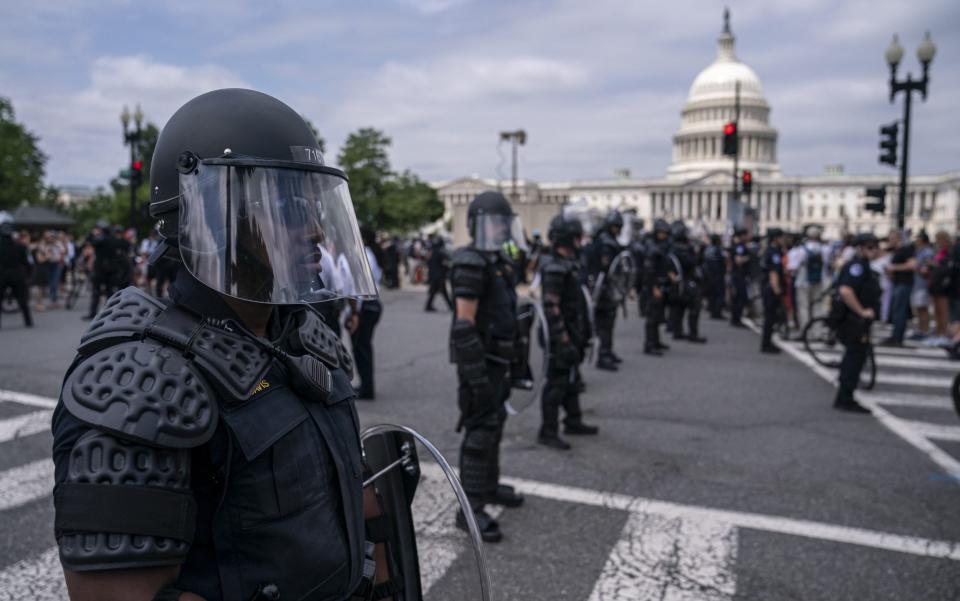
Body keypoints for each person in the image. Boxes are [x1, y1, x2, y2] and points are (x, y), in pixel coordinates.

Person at [51, 88, 397, 601]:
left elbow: (353, 499)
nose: (317, 232)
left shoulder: (306, 339)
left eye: (314, 206)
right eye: (286, 205)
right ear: (212, 218)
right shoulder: (144, 378)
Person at [449, 190, 525, 543]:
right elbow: (464, 325)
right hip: (481, 364)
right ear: (477, 224)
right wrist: (475, 375)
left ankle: (490, 488)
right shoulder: (471, 262)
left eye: (503, 223)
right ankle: (469, 508)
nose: (500, 229)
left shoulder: (498, 261)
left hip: (499, 361)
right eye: (494, 223)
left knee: (495, 426)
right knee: (479, 432)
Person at [538, 214, 599, 450]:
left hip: (572, 332)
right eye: (576, 236)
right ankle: (548, 431)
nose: (580, 241)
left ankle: (573, 421)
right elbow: (551, 308)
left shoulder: (570, 263)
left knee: (571, 381)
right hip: (559, 337)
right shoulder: (554, 267)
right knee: (556, 384)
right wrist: (562, 342)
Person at [832, 233, 882, 413]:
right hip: (854, 320)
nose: (874, 250)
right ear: (860, 248)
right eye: (869, 247)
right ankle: (846, 397)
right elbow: (846, 291)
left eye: (875, 246)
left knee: (854, 357)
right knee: (854, 358)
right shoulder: (857, 267)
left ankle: (844, 396)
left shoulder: (864, 266)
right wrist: (861, 311)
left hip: (858, 320)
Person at [589, 210, 625, 370]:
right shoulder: (606, 242)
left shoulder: (608, 240)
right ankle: (603, 355)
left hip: (608, 286)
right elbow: (607, 267)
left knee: (609, 321)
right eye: (615, 226)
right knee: (604, 322)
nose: (617, 229)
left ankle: (608, 351)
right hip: (602, 287)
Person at [352, 226, 384, 400]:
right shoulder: (371, 253)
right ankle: (366, 385)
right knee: (363, 347)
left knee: (361, 348)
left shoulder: (363, 255)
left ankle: (366, 388)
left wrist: (354, 312)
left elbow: (360, 288)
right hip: (372, 305)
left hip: (365, 306)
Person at [666, 220, 706, 343]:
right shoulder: (683, 250)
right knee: (694, 307)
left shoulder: (671, 247)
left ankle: (678, 331)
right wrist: (698, 252)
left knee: (679, 308)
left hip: (677, 283)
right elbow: (692, 263)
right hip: (687, 281)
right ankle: (692, 334)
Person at [642, 219, 672, 356]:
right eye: (662, 233)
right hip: (653, 286)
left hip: (660, 284)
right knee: (652, 317)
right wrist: (654, 287)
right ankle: (649, 344)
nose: (665, 235)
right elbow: (649, 270)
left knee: (658, 315)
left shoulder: (660, 246)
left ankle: (656, 341)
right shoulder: (653, 247)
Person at [792, 226, 829, 335]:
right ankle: (817, 332)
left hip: (803, 281)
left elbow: (793, 267)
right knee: (817, 306)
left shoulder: (800, 250)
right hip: (819, 280)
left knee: (803, 306)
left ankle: (805, 331)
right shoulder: (825, 249)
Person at [881, 230, 915, 346]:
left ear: (897, 239)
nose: (890, 241)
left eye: (891, 238)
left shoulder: (906, 249)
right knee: (896, 311)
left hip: (904, 284)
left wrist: (893, 268)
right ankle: (896, 335)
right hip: (897, 283)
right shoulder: (897, 251)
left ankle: (898, 338)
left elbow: (912, 265)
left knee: (899, 312)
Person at [0, 223, 33, 328]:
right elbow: (26, 263)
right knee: (22, 299)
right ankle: (28, 321)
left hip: (1, 275)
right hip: (17, 275)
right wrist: (28, 275)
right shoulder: (20, 246)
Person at [760, 228, 785, 354]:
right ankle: (766, 344)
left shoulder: (769, 250)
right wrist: (777, 289)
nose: (783, 240)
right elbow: (773, 272)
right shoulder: (774, 252)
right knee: (770, 317)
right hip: (771, 288)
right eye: (781, 237)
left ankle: (767, 342)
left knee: (770, 317)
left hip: (766, 287)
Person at [909, 231, 934, 341]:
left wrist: (916, 268)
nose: (916, 241)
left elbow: (927, 269)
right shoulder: (920, 251)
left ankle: (925, 330)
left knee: (923, 308)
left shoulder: (927, 252)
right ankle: (921, 329)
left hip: (923, 284)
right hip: (918, 283)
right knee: (919, 308)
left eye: (918, 239)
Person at [424, 234, 452, 311]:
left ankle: (428, 306)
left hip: (433, 275)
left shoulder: (431, 253)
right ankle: (451, 306)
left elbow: (428, 263)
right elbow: (447, 262)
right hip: (439, 275)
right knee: (443, 291)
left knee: (434, 291)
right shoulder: (440, 252)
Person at [728, 228, 750, 327]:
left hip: (738, 275)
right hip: (739, 275)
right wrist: (748, 258)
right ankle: (736, 319)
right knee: (739, 298)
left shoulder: (737, 246)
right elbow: (738, 260)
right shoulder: (739, 247)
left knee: (737, 297)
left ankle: (736, 318)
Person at [703, 234, 726, 320]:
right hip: (717, 274)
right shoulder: (718, 250)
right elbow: (723, 261)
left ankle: (712, 310)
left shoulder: (708, 249)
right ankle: (717, 313)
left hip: (709, 275)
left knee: (712, 294)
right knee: (719, 294)